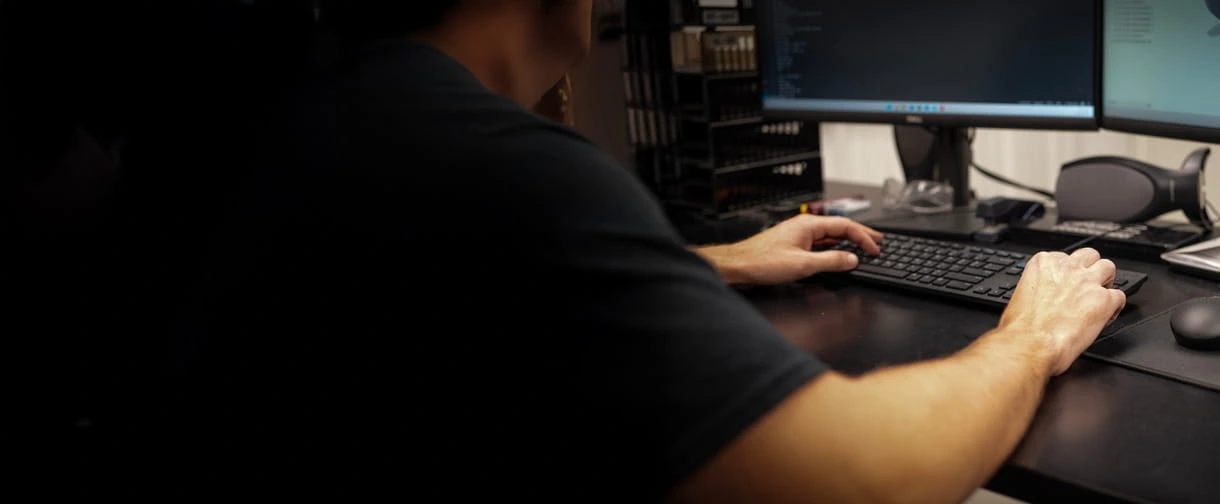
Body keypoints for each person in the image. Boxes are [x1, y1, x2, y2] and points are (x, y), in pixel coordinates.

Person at [7, 1, 1125, 502]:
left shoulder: (304, 108)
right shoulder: (474, 155)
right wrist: (1025, 339)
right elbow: (864, 480)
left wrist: (716, 262)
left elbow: (450, 290)